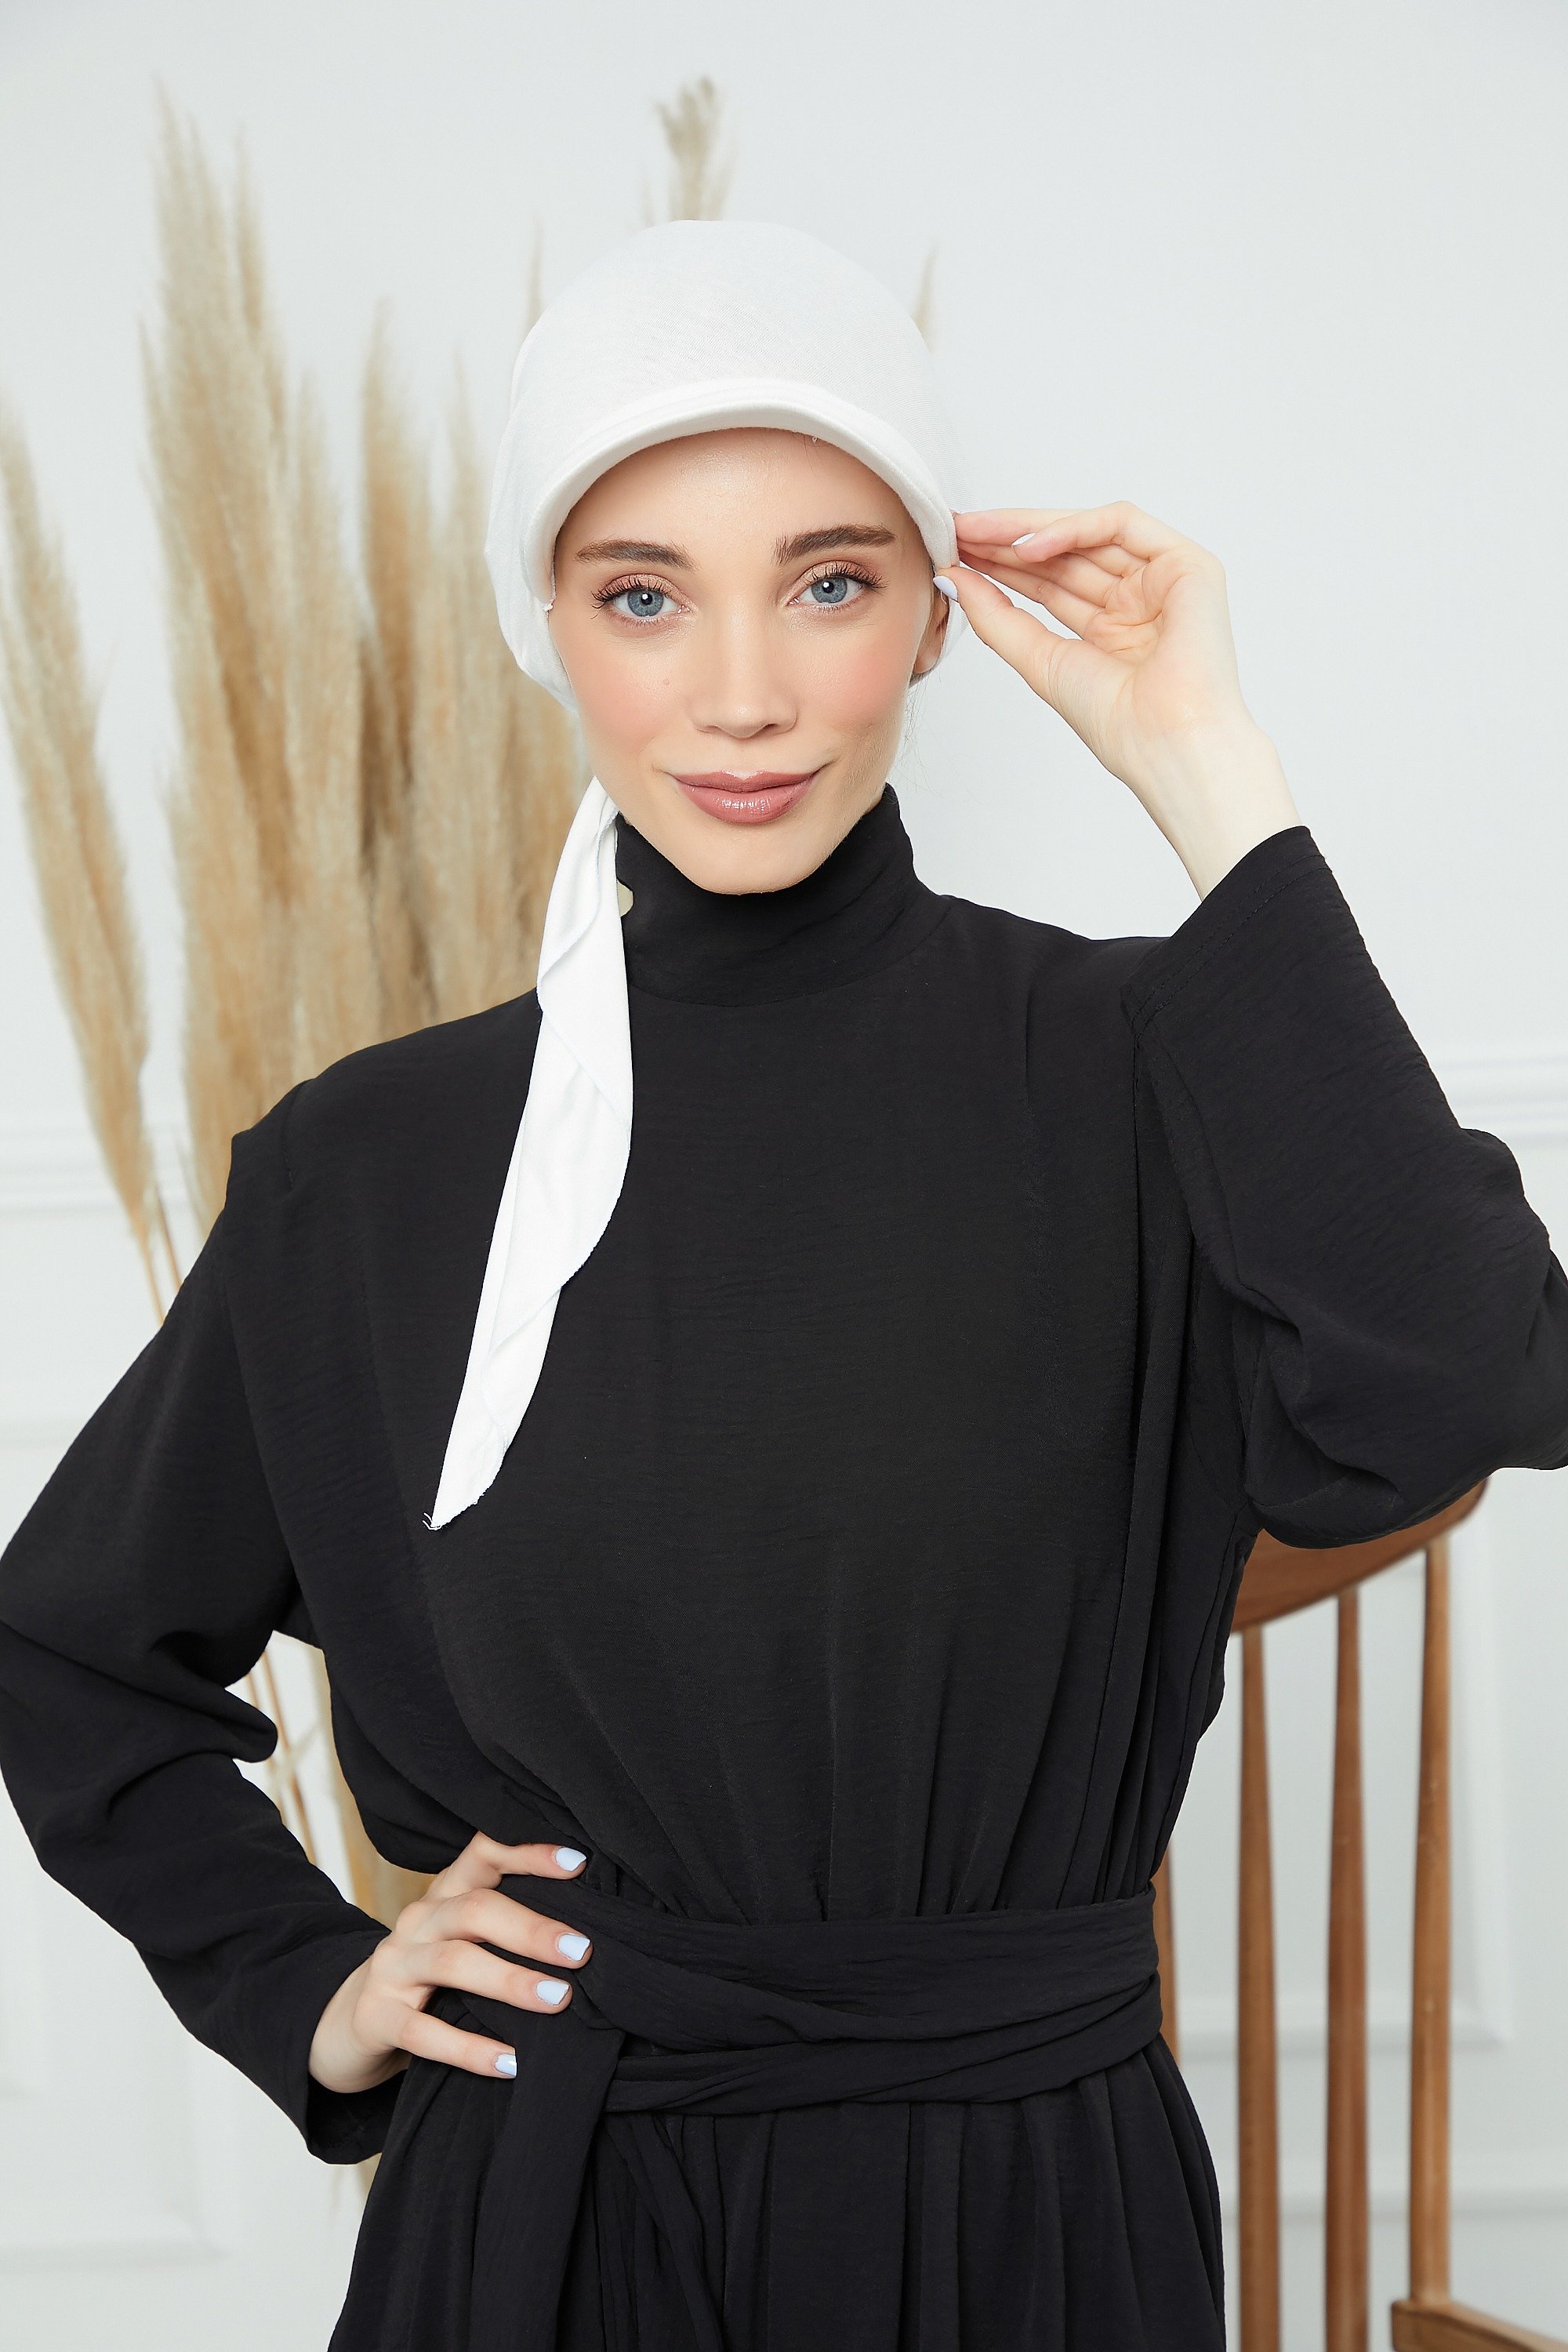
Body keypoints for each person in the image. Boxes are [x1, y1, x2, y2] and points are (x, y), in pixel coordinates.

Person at [2, 218, 1566, 2352]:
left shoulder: (1144, 1064)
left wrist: (1207, 772)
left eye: (829, 582)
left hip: (1037, 2213)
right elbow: (74, 1649)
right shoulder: (369, 1169)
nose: (741, 694)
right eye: (642, 596)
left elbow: (1474, 1382)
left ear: (934, 611)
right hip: (556, 2225)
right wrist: (314, 1989)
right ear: (546, 626)